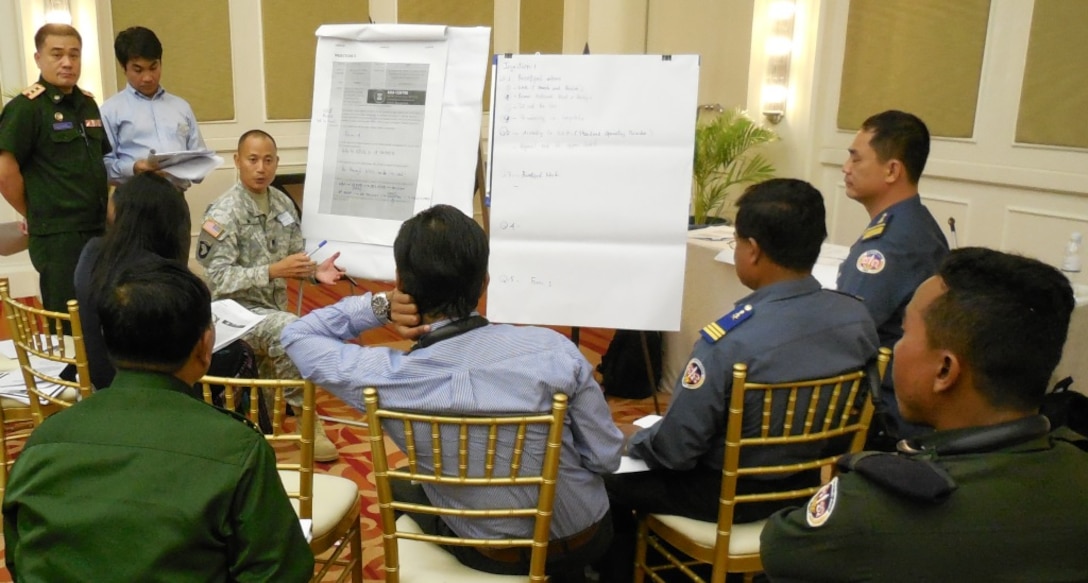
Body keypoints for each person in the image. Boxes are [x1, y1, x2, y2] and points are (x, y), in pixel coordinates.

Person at [281, 204, 624, 581]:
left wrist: (379, 305)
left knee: (399, 484)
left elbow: (296, 335)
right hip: (586, 537)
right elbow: (605, 457)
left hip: (491, 556)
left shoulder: (385, 378)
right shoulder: (554, 350)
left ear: (401, 282)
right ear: (484, 282)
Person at [596, 179, 880, 583]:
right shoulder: (857, 320)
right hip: (805, 488)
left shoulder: (730, 341)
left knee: (600, 481)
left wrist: (634, 437)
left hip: (723, 496)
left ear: (754, 250)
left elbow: (677, 452)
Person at [761, 247, 1088, 582]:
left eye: (904, 333)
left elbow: (780, 547)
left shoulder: (872, 510)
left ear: (944, 370)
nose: (896, 348)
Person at [2, 257, 314, 581]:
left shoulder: (42, 441)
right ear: (205, 346)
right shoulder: (239, 450)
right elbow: (280, 572)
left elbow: (19, 557)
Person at [197, 129, 343, 461]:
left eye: (268, 160)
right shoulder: (223, 213)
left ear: (276, 162)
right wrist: (271, 271)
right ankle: (310, 424)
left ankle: (269, 414)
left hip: (272, 308)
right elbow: (216, 278)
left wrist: (315, 272)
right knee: (289, 329)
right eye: (252, 160)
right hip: (234, 314)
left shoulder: (282, 203)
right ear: (237, 162)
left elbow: (295, 258)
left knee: (263, 404)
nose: (261, 168)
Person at [73, 172, 257, 400]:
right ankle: (239, 428)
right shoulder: (160, 280)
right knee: (242, 353)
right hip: (152, 383)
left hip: (97, 376)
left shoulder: (92, 252)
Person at [837, 110, 949, 443]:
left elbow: (846, 330)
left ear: (892, 170)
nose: (846, 168)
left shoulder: (888, 244)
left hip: (881, 410)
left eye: (856, 159)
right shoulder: (917, 224)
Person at [0, 24, 110, 315]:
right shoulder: (27, 108)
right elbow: (4, 171)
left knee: (103, 315)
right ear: (38, 58)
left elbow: (101, 162)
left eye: (74, 55)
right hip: (58, 236)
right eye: (57, 54)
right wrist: (32, 211)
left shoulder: (87, 104)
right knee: (67, 320)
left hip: (98, 228)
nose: (67, 62)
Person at [100, 26, 206, 190]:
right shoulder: (110, 111)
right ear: (124, 68)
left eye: (153, 67)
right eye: (138, 70)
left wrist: (192, 167)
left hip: (175, 198)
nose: (148, 77)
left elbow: (200, 164)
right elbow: (102, 167)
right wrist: (134, 168)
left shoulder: (181, 107)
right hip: (133, 200)